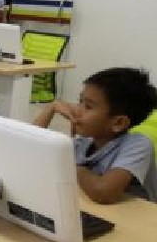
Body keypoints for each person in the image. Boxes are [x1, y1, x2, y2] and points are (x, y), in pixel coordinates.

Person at [33, 67, 157, 204]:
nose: (77, 110)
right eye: (80, 101)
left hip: (137, 215)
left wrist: (67, 166)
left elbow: (103, 192)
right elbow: (31, 153)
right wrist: (52, 108)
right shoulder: (84, 142)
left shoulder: (138, 144)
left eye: (88, 106)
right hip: (93, 210)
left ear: (119, 123)